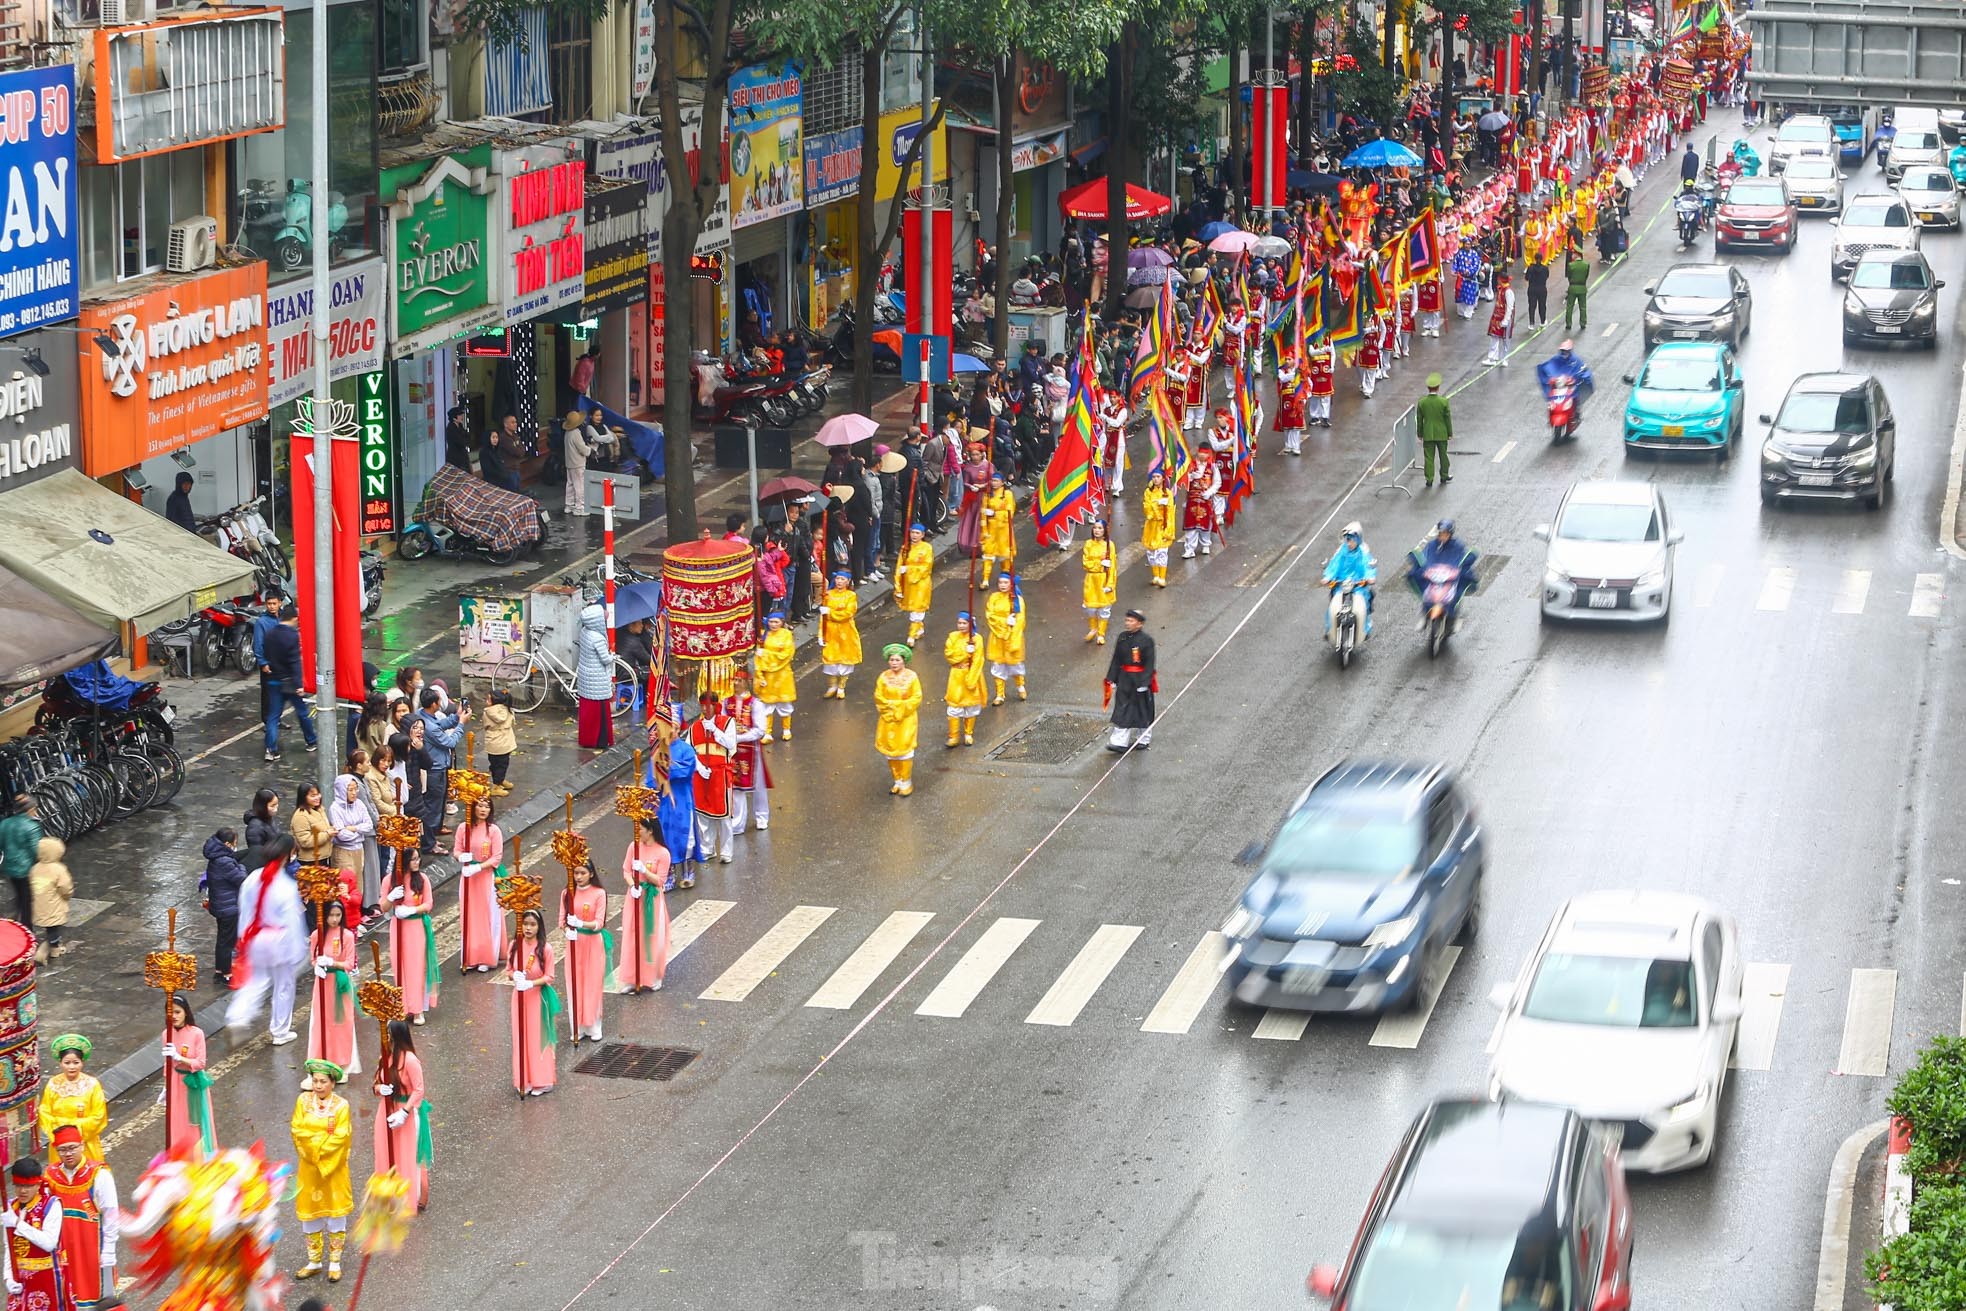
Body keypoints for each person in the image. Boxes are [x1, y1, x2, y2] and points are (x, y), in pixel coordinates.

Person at [227, 838, 305, 1045]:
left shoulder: (253, 878)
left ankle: (238, 1015)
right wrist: (298, 950)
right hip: (279, 939)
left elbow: (245, 910)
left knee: (256, 980)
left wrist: (243, 937)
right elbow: (292, 923)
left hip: (256, 937)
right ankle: (280, 1031)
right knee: (284, 985)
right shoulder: (286, 887)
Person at [290, 1059, 354, 1281]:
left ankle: (334, 1263)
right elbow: (297, 1130)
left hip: (333, 1168)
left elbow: (341, 1137)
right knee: (311, 1215)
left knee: (335, 1214)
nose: (317, 1085)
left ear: (332, 1083)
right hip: (309, 1167)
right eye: (315, 1081)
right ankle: (314, 1261)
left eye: (322, 1081)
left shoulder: (341, 1106)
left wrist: (315, 1147)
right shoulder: (302, 1101)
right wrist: (313, 1151)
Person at [46, 1123, 117, 1309]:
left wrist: (109, 1249)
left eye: (72, 1148)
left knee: (96, 1298)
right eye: (62, 1150)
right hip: (63, 1250)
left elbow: (111, 1214)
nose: (68, 1154)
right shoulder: (50, 1176)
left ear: (82, 1145)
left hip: (92, 1250)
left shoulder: (98, 1175)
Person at [371, 1019, 431, 1212]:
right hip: (386, 1110)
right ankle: (388, 1195)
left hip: (405, 1111)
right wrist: (381, 1088)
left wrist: (405, 1112)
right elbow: (375, 1084)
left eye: (387, 1034)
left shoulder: (411, 1060)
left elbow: (419, 1089)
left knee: (406, 1153)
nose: (384, 1038)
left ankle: (408, 1198)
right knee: (385, 1151)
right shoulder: (385, 1057)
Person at [647, 707, 702, 890]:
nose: (671, 732)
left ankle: (688, 870)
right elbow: (651, 778)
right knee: (664, 836)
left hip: (681, 800)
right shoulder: (658, 751)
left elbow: (687, 771)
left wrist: (668, 769)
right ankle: (668, 873)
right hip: (663, 803)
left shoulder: (687, 750)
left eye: (675, 729)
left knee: (685, 836)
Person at [507, 908, 560, 1097]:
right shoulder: (514, 945)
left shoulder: (545, 948)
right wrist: (516, 976)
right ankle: (524, 1078)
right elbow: (509, 970)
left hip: (538, 997)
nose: (528, 928)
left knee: (537, 1037)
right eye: (525, 924)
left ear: (539, 927)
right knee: (521, 1037)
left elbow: (550, 976)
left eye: (532, 924)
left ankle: (542, 1079)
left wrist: (530, 983)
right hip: (519, 998)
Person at [3, 1157, 68, 1311]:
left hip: (47, 1279)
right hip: (20, 1280)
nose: (22, 1191)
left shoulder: (52, 1205)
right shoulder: (11, 1208)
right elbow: (8, 1246)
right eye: (18, 1186)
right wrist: (8, 1277)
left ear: (38, 1184)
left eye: (28, 1186)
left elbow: (49, 1243)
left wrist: (18, 1224)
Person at [306, 899, 360, 1078]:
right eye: (331, 915)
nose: (335, 919)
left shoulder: (347, 936)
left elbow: (350, 963)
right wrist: (317, 966)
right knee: (321, 1021)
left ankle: (342, 1063)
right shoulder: (316, 935)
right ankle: (320, 1061)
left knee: (341, 1022)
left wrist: (332, 963)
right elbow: (313, 958)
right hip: (322, 984)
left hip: (340, 984)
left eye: (338, 915)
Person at [386, 847, 438, 1025]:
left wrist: (412, 910)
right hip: (398, 927)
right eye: (413, 859)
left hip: (416, 926)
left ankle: (417, 1009)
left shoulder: (422, 879)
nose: (417, 862)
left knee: (416, 967)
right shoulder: (390, 880)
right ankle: (402, 1006)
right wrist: (391, 898)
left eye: (418, 858)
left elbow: (429, 903)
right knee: (399, 965)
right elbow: (383, 906)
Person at [619, 817, 670, 994]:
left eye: (640, 829)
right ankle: (632, 977)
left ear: (650, 830)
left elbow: (660, 880)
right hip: (634, 896)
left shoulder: (663, 853)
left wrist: (644, 871)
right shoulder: (633, 847)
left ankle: (653, 976)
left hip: (652, 899)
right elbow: (626, 870)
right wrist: (632, 884)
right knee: (632, 934)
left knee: (651, 936)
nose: (637, 832)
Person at [560, 860, 609, 1041]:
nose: (578, 877)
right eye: (576, 873)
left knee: (592, 983)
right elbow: (561, 921)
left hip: (593, 942)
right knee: (575, 983)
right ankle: (577, 1025)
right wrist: (568, 931)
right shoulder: (567, 893)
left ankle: (593, 1025)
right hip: (574, 944)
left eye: (582, 873)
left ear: (591, 874)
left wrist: (580, 924)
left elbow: (599, 923)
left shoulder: (599, 893)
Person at [262, 604, 318, 762]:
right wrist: (299, 683)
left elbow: (266, 653)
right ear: (294, 619)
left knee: (273, 716)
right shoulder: (292, 636)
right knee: (302, 712)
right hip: (290, 682)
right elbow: (294, 661)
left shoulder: (270, 634)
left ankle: (271, 750)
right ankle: (311, 740)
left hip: (273, 679)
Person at [161, 994, 215, 1157]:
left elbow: (200, 1063)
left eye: (177, 1012)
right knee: (177, 1119)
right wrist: (165, 1087)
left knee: (195, 1120)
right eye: (170, 1012)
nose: (173, 1016)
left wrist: (179, 1057)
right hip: (175, 1081)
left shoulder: (196, 1033)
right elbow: (167, 1063)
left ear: (186, 1012)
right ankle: (180, 1155)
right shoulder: (166, 1034)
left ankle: (199, 1156)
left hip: (193, 1082)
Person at [37, 1035, 106, 1162]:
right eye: (67, 1063)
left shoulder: (92, 1084)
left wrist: (74, 1131)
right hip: (60, 1144)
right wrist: (61, 1133)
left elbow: (99, 1116)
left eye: (76, 1062)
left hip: (85, 1143)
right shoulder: (53, 1084)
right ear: (60, 1063)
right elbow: (44, 1111)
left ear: (82, 1062)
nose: (71, 1067)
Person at [455, 797, 504, 973]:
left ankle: (487, 956)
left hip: (486, 877)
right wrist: (461, 857)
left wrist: (478, 867)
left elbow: (496, 857)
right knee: (470, 916)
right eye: (480, 805)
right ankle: (471, 956)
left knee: (488, 916)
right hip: (468, 878)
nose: (483, 809)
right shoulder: (463, 828)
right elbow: (457, 849)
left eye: (487, 806)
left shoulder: (493, 831)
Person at [415, 689, 467, 851]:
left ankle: (431, 838)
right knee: (433, 807)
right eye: (438, 701)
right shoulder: (429, 727)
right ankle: (429, 844)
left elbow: (439, 724)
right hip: (435, 771)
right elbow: (450, 742)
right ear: (433, 704)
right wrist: (461, 724)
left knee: (436, 805)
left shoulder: (423, 715)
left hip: (437, 768)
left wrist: (456, 717)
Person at [689, 693, 736, 864]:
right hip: (702, 774)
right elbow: (689, 751)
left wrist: (715, 731)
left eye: (708, 705)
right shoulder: (694, 728)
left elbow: (731, 745)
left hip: (721, 774)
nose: (704, 709)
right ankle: (707, 848)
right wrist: (699, 767)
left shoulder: (727, 723)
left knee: (723, 816)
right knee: (703, 814)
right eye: (702, 705)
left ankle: (726, 851)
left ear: (715, 706)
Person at [1406, 519, 1481, 627]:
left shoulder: (1457, 546)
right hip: (1434, 577)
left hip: (1450, 579)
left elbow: (1462, 558)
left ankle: (1454, 616)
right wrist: (1421, 564)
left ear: (1450, 534)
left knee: (1456, 593)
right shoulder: (1432, 545)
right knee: (1426, 592)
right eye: (1441, 534)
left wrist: (1461, 566)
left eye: (1445, 534)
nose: (1443, 537)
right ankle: (1424, 614)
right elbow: (1425, 557)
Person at [724, 670, 771, 834]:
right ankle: (737, 823)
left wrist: (740, 738)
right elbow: (723, 723)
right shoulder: (726, 703)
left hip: (751, 750)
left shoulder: (755, 704)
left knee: (758, 785)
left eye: (739, 680)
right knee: (736, 785)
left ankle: (761, 816)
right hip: (733, 751)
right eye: (734, 680)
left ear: (746, 682)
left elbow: (760, 729)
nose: (736, 683)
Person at [873, 645, 923, 797]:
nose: (894, 663)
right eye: (891, 660)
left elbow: (916, 697)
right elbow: (878, 697)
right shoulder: (883, 677)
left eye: (897, 660)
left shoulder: (912, 677)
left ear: (903, 661)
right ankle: (897, 780)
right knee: (891, 751)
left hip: (905, 719)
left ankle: (906, 781)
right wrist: (889, 709)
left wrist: (899, 708)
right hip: (888, 719)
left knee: (904, 750)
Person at [1104, 610, 1157, 752]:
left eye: (1131, 621)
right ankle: (1119, 742)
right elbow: (1116, 659)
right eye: (1127, 620)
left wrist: (1145, 683)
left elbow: (1149, 663)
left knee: (1142, 710)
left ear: (1139, 624)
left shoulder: (1147, 641)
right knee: (1122, 709)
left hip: (1140, 680)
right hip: (1125, 679)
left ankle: (1143, 738)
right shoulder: (1122, 638)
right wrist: (1112, 678)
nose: (1128, 623)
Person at [203, 828, 247, 985]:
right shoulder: (225, 861)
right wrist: (241, 867)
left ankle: (220, 970)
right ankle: (226, 973)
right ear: (228, 844)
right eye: (235, 843)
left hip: (221, 904)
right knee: (227, 941)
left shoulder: (217, 858)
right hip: (229, 907)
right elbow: (241, 878)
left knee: (222, 939)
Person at [327, 773, 374, 913]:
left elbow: (369, 825)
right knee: (345, 885)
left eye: (355, 789)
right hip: (343, 851)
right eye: (350, 790)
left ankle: (356, 917)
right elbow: (341, 834)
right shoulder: (335, 808)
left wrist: (354, 828)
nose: (354, 793)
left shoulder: (359, 804)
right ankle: (345, 919)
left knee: (357, 884)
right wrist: (358, 831)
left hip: (359, 849)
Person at [1322, 522, 1378, 634]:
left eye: (1352, 540)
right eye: (1347, 539)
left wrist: (1369, 577)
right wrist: (1328, 577)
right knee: (1332, 605)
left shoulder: (1363, 552)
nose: (1349, 543)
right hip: (1341, 584)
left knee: (1365, 602)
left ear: (1358, 539)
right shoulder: (1341, 552)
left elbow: (1367, 565)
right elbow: (1334, 565)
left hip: (1358, 585)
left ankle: (1365, 628)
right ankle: (1329, 628)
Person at [573, 601, 615, 749]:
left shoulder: (584, 632)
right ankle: (600, 741)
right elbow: (605, 659)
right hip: (597, 681)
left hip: (585, 676)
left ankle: (587, 738)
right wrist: (613, 656)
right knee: (600, 714)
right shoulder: (598, 638)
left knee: (588, 713)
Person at [942, 614, 987, 748]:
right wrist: (965, 653)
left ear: (970, 624)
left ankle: (968, 733)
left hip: (971, 674)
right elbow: (950, 656)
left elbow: (978, 660)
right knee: (954, 706)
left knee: (970, 706)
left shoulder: (977, 639)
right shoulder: (952, 637)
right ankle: (953, 736)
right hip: (956, 676)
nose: (961, 626)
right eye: (959, 623)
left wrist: (972, 679)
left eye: (964, 623)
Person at [984, 572, 1028, 705]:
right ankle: (999, 694)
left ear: (1011, 584)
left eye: (1005, 583)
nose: (1002, 585)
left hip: (1013, 636)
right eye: (1000, 582)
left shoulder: (1016, 600)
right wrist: (1004, 621)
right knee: (998, 665)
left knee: (1015, 664)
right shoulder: (994, 597)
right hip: (997, 637)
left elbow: (1020, 620)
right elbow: (989, 616)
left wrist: (1013, 636)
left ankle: (1020, 686)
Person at [753, 612, 797, 742]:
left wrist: (766, 654)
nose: (773, 625)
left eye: (776, 622)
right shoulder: (763, 635)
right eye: (771, 622)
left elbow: (786, 654)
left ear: (782, 622)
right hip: (768, 675)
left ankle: (786, 729)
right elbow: (758, 657)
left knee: (784, 703)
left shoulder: (786, 635)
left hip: (782, 674)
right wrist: (759, 675)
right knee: (767, 705)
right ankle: (767, 732)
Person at [818, 571, 862, 700]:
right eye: (837, 578)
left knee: (845, 659)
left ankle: (841, 686)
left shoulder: (851, 596)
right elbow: (823, 618)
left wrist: (830, 612)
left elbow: (848, 613)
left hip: (846, 631)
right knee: (831, 660)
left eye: (842, 579)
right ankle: (832, 686)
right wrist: (821, 634)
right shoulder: (828, 595)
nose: (839, 581)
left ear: (847, 581)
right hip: (830, 631)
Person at [29, 837, 71, 962]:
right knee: (54, 928)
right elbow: (65, 887)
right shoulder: (58, 869)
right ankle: (44, 951)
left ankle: (55, 949)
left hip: (39, 904)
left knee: (51, 927)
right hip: (54, 904)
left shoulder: (35, 868)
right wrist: (67, 895)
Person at [892, 523, 933, 648]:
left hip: (921, 583)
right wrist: (898, 586)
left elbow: (927, 566)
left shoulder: (927, 548)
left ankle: (911, 635)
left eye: (917, 533)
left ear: (922, 535)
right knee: (912, 608)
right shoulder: (905, 548)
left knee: (918, 608)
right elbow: (899, 567)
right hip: (909, 584)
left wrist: (909, 569)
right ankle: (919, 629)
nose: (914, 535)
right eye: (912, 532)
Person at [1180, 446, 1222, 558]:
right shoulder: (1191, 465)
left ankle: (1205, 544)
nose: (1202, 455)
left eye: (1205, 453)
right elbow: (1183, 480)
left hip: (1205, 500)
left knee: (1205, 523)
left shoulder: (1212, 467)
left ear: (1209, 454)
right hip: (1192, 499)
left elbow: (1217, 482)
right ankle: (1189, 549)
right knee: (1191, 525)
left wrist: (1210, 492)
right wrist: (1190, 477)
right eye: (1201, 453)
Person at [1081, 519, 1118, 644]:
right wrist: (1100, 564)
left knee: (1104, 608)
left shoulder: (1109, 545)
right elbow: (1086, 563)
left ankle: (1101, 634)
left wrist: (1110, 584)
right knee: (1090, 607)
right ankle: (1093, 628)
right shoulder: (1088, 544)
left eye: (1100, 528)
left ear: (1105, 530)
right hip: (1091, 580)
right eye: (1095, 528)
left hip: (1104, 579)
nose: (1097, 530)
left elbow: (1112, 567)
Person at [1537, 338, 1596, 415]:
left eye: (1566, 351)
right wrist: (1551, 378)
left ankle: (1576, 409)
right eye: (1563, 351)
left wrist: (1576, 378)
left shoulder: (1576, 360)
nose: (1564, 353)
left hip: (1570, 386)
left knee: (1575, 396)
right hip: (1559, 384)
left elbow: (1582, 369)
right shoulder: (1556, 359)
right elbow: (1549, 367)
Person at [1141, 471, 1178, 589]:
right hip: (1152, 526)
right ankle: (1155, 575)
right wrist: (1156, 506)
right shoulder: (1148, 492)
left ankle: (1162, 577)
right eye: (1154, 477)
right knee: (1151, 552)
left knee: (1162, 551)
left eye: (1158, 477)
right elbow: (1147, 507)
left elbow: (1171, 511)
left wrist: (1164, 507)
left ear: (1163, 479)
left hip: (1163, 525)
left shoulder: (1167, 493)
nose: (1156, 479)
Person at [1418, 373, 1454, 487]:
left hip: (1428, 433)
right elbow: (1447, 418)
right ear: (1438, 388)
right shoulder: (1444, 402)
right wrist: (1450, 432)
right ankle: (1444, 475)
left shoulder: (1422, 402)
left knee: (1428, 458)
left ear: (1428, 388)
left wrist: (1419, 433)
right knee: (1443, 455)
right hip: (1441, 433)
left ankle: (1429, 479)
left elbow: (1419, 419)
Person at [978, 473, 1015, 583]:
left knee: (1005, 554)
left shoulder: (1007, 494)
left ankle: (1006, 577)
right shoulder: (987, 495)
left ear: (1002, 482)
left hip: (1004, 529)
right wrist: (984, 530)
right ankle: (985, 579)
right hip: (991, 529)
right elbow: (983, 513)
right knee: (988, 553)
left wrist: (994, 513)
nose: (994, 483)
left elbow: (1010, 512)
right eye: (992, 480)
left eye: (996, 481)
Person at [479, 689, 516, 797]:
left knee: (495, 763)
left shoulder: (487, 712)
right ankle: (496, 785)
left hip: (493, 743)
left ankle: (499, 781)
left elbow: (486, 725)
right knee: (502, 764)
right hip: (504, 743)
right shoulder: (507, 710)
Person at [561, 410, 595, 515]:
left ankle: (569, 505)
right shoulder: (576, 433)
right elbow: (582, 448)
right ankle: (579, 507)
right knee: (579, 485)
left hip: (569, 462)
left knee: (570, 484)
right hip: (578, 463)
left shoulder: (567, 433)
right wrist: (590, 450)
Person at [1306, 340, 1336, 428]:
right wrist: (1323, 350)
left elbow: (1333, 354)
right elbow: (1311, 352)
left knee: (1326, 396)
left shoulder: (1329, 339)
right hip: (1315, 371)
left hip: (1326, 370)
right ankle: (1314, 416)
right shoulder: (1311, 337)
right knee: (1314, 395)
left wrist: (1332, 365)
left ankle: (1325, 417)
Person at [443, 404, 475, 471]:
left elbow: (468, 437)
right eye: (459, 415)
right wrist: (465, 439)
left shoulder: (460, 426)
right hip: (455, 458)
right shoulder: (451, 428)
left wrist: (466, 439)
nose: (462, 416)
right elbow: (461, 442)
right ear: (454, 418)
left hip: (463, 457)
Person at [1524, 255, 1550, 325]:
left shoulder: (1530, 268)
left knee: (1532, 306)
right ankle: (1542, 321)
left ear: (1534, 259)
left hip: (1532, 288)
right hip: (1542, 288)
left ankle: (1531, 323)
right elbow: (1547, 276)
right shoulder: (1545, 268)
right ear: (1542, 259)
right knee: (1542, 305)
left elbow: (1526, 278)